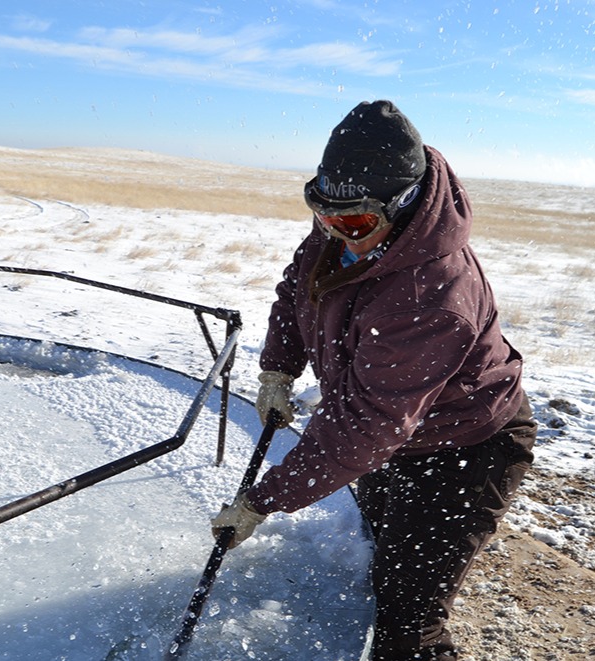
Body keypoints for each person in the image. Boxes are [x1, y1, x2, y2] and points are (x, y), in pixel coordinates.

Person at [211, 100, 538, 661]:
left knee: (407, 626)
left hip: (464, 449)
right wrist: (277, 369)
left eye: (354, 223)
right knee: (377, 555)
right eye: (324, 216)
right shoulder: (349, 224)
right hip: (399, 435)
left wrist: (263, 501)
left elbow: (365, 428)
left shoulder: (430, 296)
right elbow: (298, 290)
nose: (337, 233)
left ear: (404, 204)